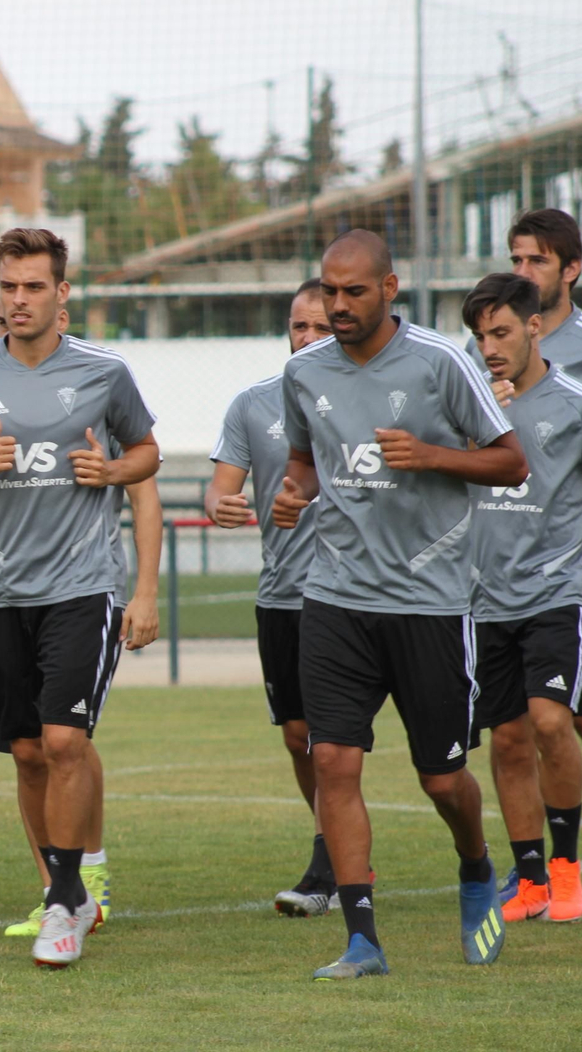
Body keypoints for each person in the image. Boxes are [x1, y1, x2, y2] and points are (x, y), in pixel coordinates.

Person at [273, 229, 527, 979]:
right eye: (328, 291)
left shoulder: (441, 363)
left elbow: (512, 460)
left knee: (442, 779)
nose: (338, 305)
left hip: (430, 603)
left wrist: (433, 455)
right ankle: (361, 939)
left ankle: (476, 865)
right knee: (335, 762)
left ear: (391, 288)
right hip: (335, 599)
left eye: (354, 291)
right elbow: (303, 458)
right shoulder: (303, 371)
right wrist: (295, 493)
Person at [0, 228, 160, 967]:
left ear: (62, 292)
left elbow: (145, 450)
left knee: (63, 740)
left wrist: (111, 472)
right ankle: (66, 889)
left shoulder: (103, 371)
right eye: (7, 286)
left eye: (32, 286)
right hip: (6, 592)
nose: (17, 300)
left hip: (83, 585)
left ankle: (64, 901)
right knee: (26, 752)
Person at [464, 272, 582, 925]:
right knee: (509, 740)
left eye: (501, 332)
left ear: (533, 327)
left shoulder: (580, 406)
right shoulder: (467, 403)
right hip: (486, 600)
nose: (490, 347)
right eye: (480, 335)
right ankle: (527, 878)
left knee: (552, 721)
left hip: (556, 590)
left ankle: (567, 868)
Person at [205, 278, 329, 916]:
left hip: (360, 596)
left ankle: (331, 865)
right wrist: (222, 504)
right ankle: (329, 850)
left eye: (321, 328)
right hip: (282, 597)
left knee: (418, 755)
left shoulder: (367, 397)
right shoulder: (254, 404)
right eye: (298, 326)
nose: (306, 338)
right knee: (299, 735)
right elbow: (220, 487)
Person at [503, 210, 582, 885]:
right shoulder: (492, 346)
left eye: (537, 261)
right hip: (509, 566)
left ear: (570, 269)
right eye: (516, 259)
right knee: (530, 725)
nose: (523, 273)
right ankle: (536, 870)